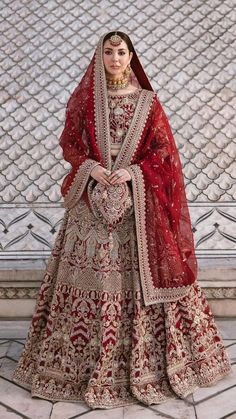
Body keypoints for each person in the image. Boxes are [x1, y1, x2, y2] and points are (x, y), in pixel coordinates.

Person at [13, 31, 231, 409]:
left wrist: (134, 174)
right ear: (101, 56)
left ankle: (155, 364)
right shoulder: (86, 100)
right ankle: (73, 365)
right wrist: (92, 168)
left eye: (121, 52)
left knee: (142, 276)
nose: (115, 58)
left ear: (131, 57)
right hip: (90, 202)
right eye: (109, 52)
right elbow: (71, 143)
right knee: (91, 274)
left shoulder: (148, 103)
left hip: (138, 205)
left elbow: (163, 151)